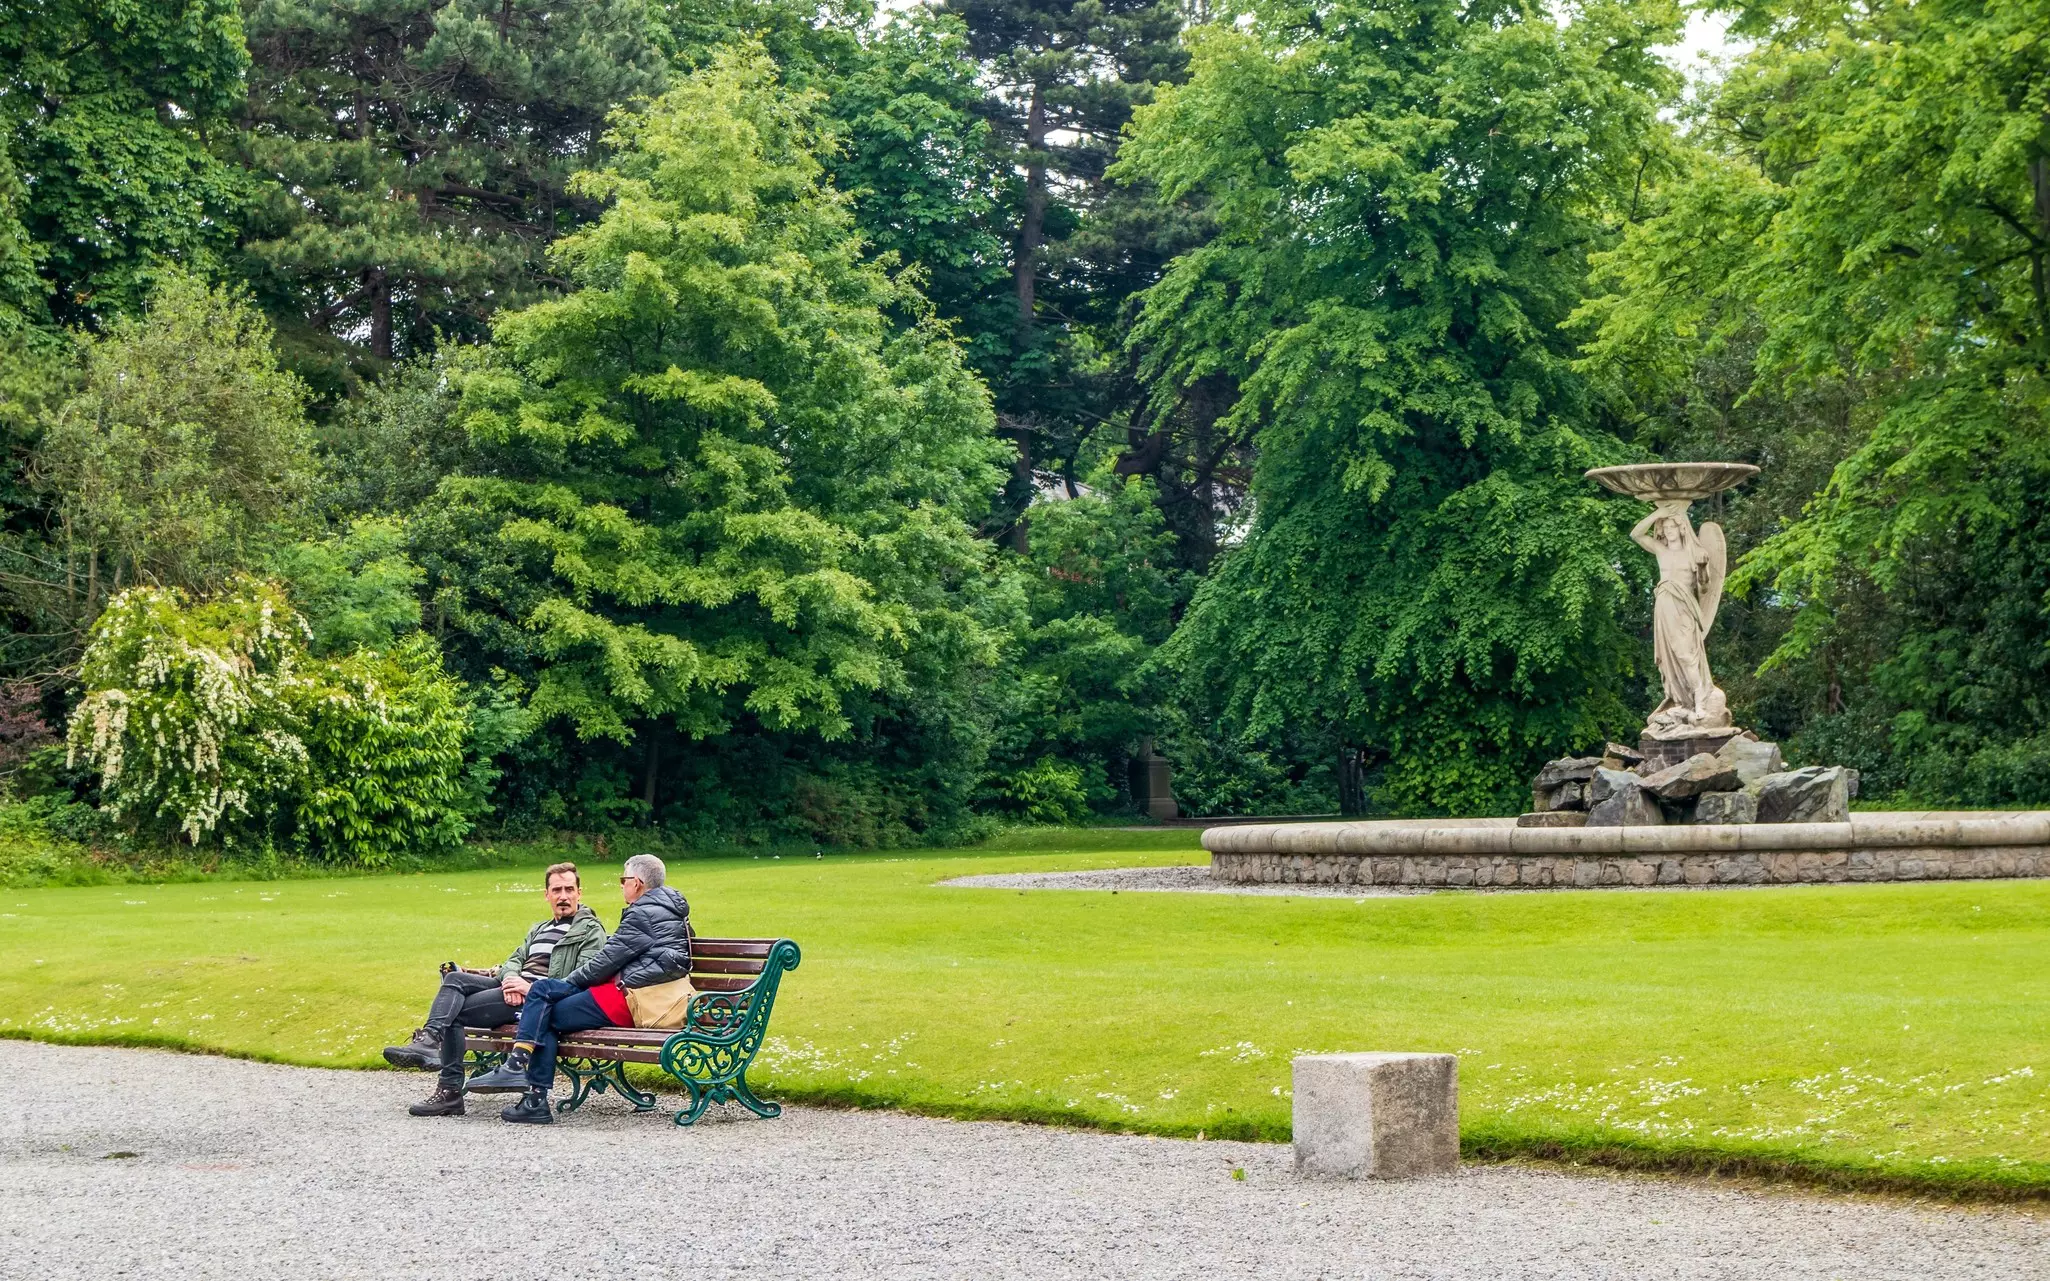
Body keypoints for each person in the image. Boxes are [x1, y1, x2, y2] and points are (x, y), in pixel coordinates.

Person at [463, 853, 692, 1124]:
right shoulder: (668, 909)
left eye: (624, 879)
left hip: (630, 1000)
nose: (622, 885)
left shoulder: (643, 914)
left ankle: (527, 1085)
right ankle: (526, 1085)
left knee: (542, 1001)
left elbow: (604, 963)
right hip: (635, 993)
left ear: (638, 883)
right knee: (544, 1000)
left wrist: (565, 984)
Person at [383, 862, 607, 1118]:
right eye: (557, 890)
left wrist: (530, 987)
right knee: (455, 979)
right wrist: (512, 979)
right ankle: (430, 1039)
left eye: (569, 889)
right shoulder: (539, 928)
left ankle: (449, 1092)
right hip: (514, 986)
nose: (563, 896)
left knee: (454, 1014)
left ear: (580, 892)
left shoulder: (590, 930)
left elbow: (582, 978)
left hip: (539, 1001)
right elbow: (514, 960)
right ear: (547, 894)